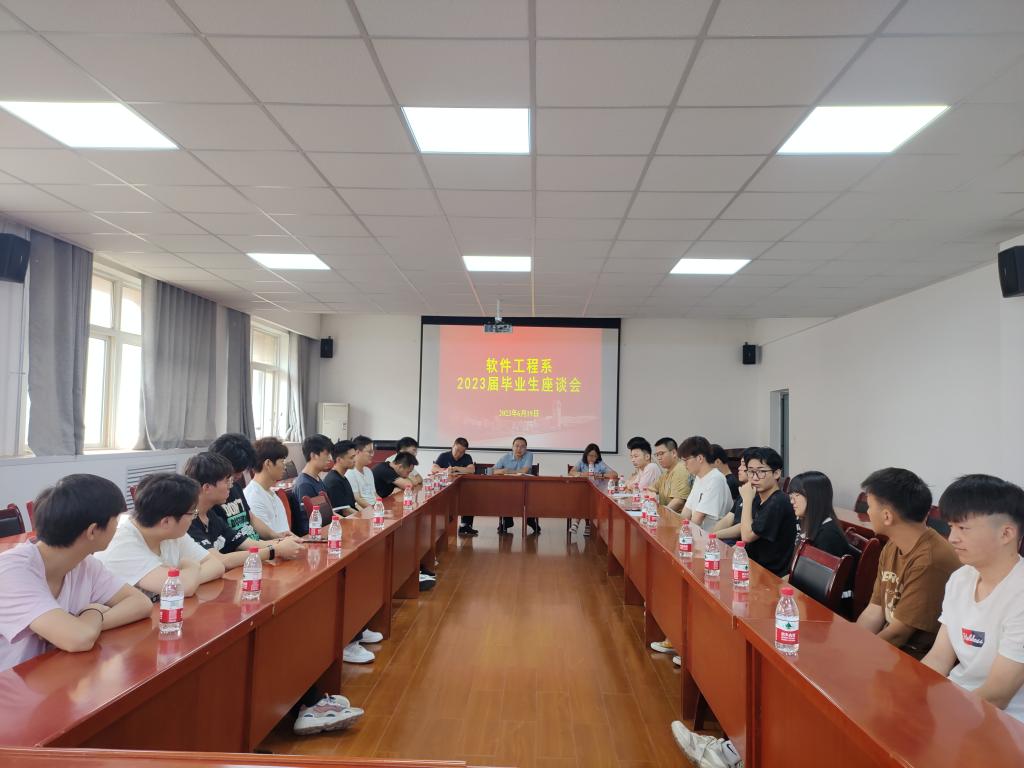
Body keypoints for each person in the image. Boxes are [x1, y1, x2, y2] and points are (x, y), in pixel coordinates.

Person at [0, 475, 152, 673]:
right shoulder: (11, 571)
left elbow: (141, 603)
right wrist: (93, 611)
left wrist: (86, 624)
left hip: (56, 674)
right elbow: (78, 640)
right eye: (116, 519)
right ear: (92, 531)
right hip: (12, 684)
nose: (118, 525)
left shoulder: (84, 564)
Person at [922, 474, 1024, 722]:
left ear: (1006, 533)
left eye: (963, 528)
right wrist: (914, 693)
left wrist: (939, 716)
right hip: (957, 701)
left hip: (1005, 722)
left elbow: (997, 695)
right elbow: (939, 658)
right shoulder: (960, 579)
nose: (952, 538)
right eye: (951, 527)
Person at [855, 467, 960, 657]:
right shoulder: (892, 546)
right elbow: (874, 610)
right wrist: (850, 641)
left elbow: (898, 634)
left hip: (913, 657)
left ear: (887, 516)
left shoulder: (930, 561)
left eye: (870, 506)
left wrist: (857, 654)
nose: (867, 512)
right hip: (888, 648)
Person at [651, 436, 732, 657]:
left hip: (710, 549)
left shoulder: (715, 480)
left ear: (700, 458)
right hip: (695, 543)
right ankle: (676, 637)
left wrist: (678, 536)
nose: (684, 464)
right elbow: (686, 513)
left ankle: (686, 645)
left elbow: (697, 520)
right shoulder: (699, 478)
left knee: (684, 590)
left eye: (686, 459)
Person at [94, 473, 225, 597]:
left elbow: (217, 565)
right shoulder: (120, 544)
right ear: (166, 521)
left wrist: (187, 578)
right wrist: (192, 566)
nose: (193, 518)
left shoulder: (172, 533)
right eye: (192, 513)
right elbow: (180, 588)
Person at [183, 452, 305, 569]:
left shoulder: (211, 516)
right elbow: (221, 560)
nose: (231, 486)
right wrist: (274, 550)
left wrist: (282, 542)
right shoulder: (187, 521)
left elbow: (246, 543)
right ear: (207, 488)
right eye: (226, 481)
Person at [730, 447, 797, 578]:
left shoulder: (778, 501)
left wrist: (747, 500)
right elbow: (745, 529)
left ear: (776, 473)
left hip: (769, 575)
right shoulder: (758, 498)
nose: (754, 478)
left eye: (761, 472)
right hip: (752, 566)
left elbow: (747, 536)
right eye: (751, 472)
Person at [244, 438, 302, 541]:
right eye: (282, 462)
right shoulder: (253, 497)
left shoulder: (271, 493)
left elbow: (284, 532)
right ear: (268, 464)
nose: (285, 467)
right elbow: (268, 541)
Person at [788, 471, 855, 559]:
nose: (791, 501)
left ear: (815, 497)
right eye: (791, 496)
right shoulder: (806, 521)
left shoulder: (827, 536)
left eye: (797, 495)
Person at [208, 432, 259, 540]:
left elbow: (251, 518)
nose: (239, 476)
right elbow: (233, 542)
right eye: (237, 471)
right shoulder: (211, 498)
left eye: (242, 471)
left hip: (256, 544)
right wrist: (272, 547)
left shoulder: (236, 487)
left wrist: (276, 537)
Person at [568, 443, 618, 535]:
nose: (592, 458)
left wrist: (601, 475)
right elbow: (571, 472)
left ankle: (578, 523)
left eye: (595, 456)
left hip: (596, 491)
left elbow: (614, 474)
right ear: (586, 454)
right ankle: (584, 524)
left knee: (587, 498)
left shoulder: (600, 464)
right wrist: (583, 474)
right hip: (583, 490)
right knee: (584, 497)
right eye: (590, 455)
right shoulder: (581, 462)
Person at [494, 436, 539, 534]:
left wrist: (509, 471)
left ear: (526, 448)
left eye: (522, 446)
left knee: (530, 496)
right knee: (504, 494)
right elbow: (493, 471)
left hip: (526, 488)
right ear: (512, 447)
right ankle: (507, 521)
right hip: (509, 488)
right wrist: (502, 471)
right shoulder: (505, 457)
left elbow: (524, 470)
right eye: (517, 446)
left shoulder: (529, 455)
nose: (519, 449)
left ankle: (530, 519)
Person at [291, 433, 334, 537]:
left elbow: (327, 513)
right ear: (313, 455)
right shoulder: (304, 484)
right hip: (313, 536)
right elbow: (309, 523)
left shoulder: (317, 479)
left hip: (325, 530)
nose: (330, 459)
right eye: (327, 454)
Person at [433, 438, 477, 536]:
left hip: (463, 488)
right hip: (445, 488)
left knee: (469, 498)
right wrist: (445, 470)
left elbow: (472, 470)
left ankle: (465, 526)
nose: (459, 454)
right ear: (452, 446)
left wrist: (456, 468)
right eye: (457, 450)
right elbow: (434, 468)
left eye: (462, 452)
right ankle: (445, 525)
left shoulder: (467, 457)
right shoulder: (444, 456)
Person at [653, 437, 692, 512]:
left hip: (677, 517)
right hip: (666, 514)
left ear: (674, 453)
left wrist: (660, 514)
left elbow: (679, 501)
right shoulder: (666, 472)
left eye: (661, 454)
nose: (659, 458)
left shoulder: (681, 469)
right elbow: (651, 489)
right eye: (657, 455)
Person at [323, 439, 358, 515]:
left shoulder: (343, 478)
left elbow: (353, 505)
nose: (355, 460)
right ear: (339, 460)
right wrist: (365, 518)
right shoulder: (333, 481)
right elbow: (345, 511)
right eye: (351, 458)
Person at [345, 435, 377, 510]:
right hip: (365, 510)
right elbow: (357, 499)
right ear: (357, 452)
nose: (372, 455)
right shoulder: (350, 473)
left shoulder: (368, 471)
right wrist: (373, 510)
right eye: (369, 452)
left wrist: (381, 505)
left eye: (373, 452)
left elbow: (374, 494)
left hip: (374, 507)